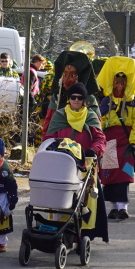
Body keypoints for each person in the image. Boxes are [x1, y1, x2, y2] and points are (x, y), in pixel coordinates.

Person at [44, 81, 109, 242]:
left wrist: (94, 150)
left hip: (85, 165)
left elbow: (100, 139)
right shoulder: (60, 115)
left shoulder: (91, 116)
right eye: (73, 97)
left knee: (84, 200)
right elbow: (49, 137)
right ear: (69, 98)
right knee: (61, 198)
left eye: (80, 98)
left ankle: (81, 234)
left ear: (85, 100)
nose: (76, 100)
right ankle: (59, 231)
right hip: (62, 165)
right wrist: (53, 148)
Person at [97, 58, 135, 219]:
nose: (119, 86)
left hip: (126, 142)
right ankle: (113, 207)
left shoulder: (132, 101)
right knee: (109, 175)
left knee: (124, 176)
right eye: (116, 82)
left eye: (123, 83)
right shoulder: (106, 101)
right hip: (110, 142)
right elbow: (99, 122)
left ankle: (123, 207)